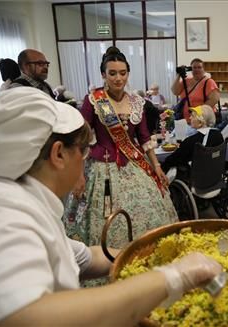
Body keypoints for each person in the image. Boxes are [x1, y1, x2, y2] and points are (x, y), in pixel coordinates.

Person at [0, 87, 223, 327]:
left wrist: (147, 257)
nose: (86, 160)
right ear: (58, 154)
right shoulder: (3, 213)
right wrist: (175, 276)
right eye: (84, 152)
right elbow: (23, 316)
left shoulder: (29, 203)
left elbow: (84, 257)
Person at [63, 46, 178, 251]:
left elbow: (144, 137)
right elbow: (80, 139)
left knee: (146, 209)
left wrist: (156, 167)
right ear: (103, 75)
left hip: (133, 166)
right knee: (103, 216)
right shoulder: (94, 101)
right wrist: (78, 175)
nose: (118, 78)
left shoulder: (136, 102)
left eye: (123, 73)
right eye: (112, 73)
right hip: (101, 167)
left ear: (128, 74)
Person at [161, 105, 224, 181]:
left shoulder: (191, 141)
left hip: (197, 179)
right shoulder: (218, 135)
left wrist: (161, 166)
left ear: (200, 122)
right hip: (215, 177)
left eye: (193, 116)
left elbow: (174, 159)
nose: (190, 118)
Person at [171, 58, 220, 122]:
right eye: (194, 67)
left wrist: (197, 113)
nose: (197, 69)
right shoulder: (186, 80)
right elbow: (175, 91)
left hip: (202, 120)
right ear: (191, 69)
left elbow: (213, 100)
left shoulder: (209, 82)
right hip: (186, 120)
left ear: (203, 69)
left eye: (199, 67)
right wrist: (179, 75)